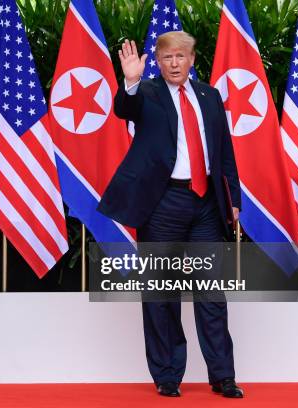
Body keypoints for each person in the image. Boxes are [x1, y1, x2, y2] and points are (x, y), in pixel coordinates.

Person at [98, 32, 244, 398]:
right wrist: (130, 80)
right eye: (166, 58)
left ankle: (223, 376)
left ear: (193, 59)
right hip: (163, 204)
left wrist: (234, 199)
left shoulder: (210, 96)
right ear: (158, 62)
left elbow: (224, 152)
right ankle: (167, 375)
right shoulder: (146, 93)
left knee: (212, 294)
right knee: (163, 295)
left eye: (181, 56)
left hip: (207, 205)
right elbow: (124, 109)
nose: (174, 63)